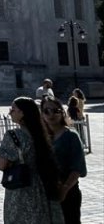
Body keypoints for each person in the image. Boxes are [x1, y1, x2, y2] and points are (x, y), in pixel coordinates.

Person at [0, 97, 63, 224]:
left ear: (22, 113)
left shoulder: (13, 135)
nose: (10, 113)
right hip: (41, 187)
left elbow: (2, 165)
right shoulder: (41, 134)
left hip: (21, 189)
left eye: (13, 109)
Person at [41, 96, 86, 224]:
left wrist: (64, 189)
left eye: (55, 111)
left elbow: (77, 168)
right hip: (45, 192)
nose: (51, 114)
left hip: (68, 191)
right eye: (46, 111)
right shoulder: (41, 137)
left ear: (62, 112)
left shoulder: (71, 136)